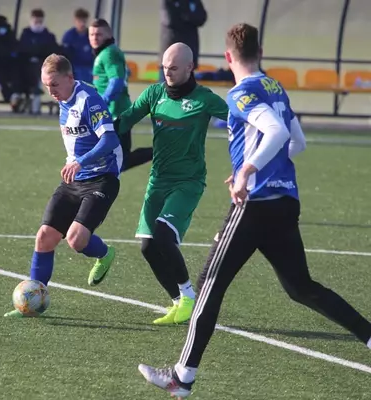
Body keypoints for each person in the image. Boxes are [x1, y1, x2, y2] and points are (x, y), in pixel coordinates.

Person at [138, 23, 371, 398]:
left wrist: (248, 170)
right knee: (301, 287)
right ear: (259, 52)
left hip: (255, 205)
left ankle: (182, 378)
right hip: (285, 201)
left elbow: (277, 132)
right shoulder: (275, 87)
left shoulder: (240, 93)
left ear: (228, 57)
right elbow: (298, 142)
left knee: (209, 284)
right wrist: (262, 167)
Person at [115, 43, 228, 326]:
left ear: (190, 67)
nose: (167, 72)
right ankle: (179, 301)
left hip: (188, 181)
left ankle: (189, 296)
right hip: (158, 180)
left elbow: (237, 119)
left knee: (164, 236)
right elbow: (126, 120)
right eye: (164, 67)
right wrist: (98, 131)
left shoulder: (204, 99)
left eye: (174, 68)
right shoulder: (154, 94)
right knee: (147, 246)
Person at [4, 54, 122, 317]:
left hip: (102, 178)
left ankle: (105, 254)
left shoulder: (89, 100)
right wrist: (75, 164)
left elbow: (110, 140)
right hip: (74, 179)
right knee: (45, 237)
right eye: (47, 86)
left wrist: (80, 161)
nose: (51, 91)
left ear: (70, 77)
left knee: (76, 240)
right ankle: (31, 302)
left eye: (55, 85)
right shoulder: (63, 100)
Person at [89, 19, 153, 172]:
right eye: (91, 34)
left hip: (116, 113)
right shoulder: (106, 52)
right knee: (116, 160)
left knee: (120, 161)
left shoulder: (109, 53)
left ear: (108, 35)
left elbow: (116, 81)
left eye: (99, 34)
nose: (94, 37)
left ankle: (162, 149)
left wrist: (103, 102)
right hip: (114, 112)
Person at [17, 8, 59, 114]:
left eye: (40, 21)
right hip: (26, 65)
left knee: (40, 72)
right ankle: (25, 99)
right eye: (35, 21)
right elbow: (22, 50)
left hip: (43, 65)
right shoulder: (25, 34)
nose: (38, 23)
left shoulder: (48, 36)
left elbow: (51, 52)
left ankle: (35, 104)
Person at [160, 0, 207, 76]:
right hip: (171, 57)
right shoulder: (169, 1)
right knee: (166, 82)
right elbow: (170, 20)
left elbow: (202, 18)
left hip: (189, 56)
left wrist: (185, 16)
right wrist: (191, 18)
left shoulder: (194, 1)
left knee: (188, 82)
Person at [61, 8, 93, 84]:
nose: (82, 24)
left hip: (89, 69)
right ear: (75, 21)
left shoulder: (91, 35)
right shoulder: (69, 36)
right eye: (79, 21)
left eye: (84, 21)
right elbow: (64, 55)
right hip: (74, 69)